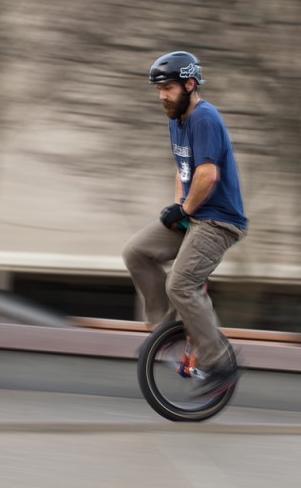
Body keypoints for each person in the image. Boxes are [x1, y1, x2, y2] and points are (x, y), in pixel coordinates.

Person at [123, 51, 248, 396]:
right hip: (195, 214)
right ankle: (166, 332)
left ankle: (220, 362)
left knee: (180, 284)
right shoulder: (176, 120)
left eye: (168, 88)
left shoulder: (205, 118)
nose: (162, 95)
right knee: (137, 252)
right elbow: (185, 171)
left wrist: (186, 209)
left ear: (190, 85)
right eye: (158, 89)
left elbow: (208, 175)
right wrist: (180, 206)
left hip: (220, 221)